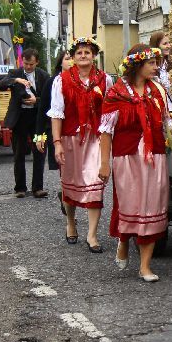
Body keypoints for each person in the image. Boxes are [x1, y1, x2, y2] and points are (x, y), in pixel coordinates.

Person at [99, 44, 172, 282]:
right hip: (127, 157)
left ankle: (145, 266)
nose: (156, 67)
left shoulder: (158, 90)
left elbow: (166, 121)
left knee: (152, 207)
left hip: (155, 157)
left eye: (156, 62)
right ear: (137, 65)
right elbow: (106, 131)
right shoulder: (116, 94)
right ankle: (123, 239)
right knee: (130, 205)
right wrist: (103, 164)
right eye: (151, 63)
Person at [47, 38, 110, 252]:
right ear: (73, 58)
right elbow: (57, 114)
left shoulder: (105, 80)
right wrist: (57, 143)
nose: (83, 56)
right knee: (70, 185)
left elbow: (109, 112)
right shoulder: (61, 80)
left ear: (94, 56)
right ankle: (71, 223)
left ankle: (92, 235)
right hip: (70, 138)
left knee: (95, 185)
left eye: (87, 52)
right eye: (79, 53)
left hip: (95, 139)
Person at [0, 49, 51, 199]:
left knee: (39, 151)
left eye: (31, 64)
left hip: (38, 119)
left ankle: (38, 188)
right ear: (22, 61)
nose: (28, 67)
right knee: (19, 153)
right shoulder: (15, 73)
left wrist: (37, 101)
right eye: (26, 64)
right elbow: (0, 85)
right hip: (20, 118)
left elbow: (50, 99)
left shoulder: (43, 75)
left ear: (37, 63)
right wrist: (16, 80)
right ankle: (20, 188)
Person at [35, 49, 74, 219]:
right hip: (56, 131)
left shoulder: (82, 81)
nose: (71, 61)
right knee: (64, 168)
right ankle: (65, 194)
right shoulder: (52, 82)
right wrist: (39, 137)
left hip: (77, 133)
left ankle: (69, 194)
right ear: (60, 63)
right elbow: (42, 111)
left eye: (73, 58)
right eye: (67, 58)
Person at [149, 31, 172, 112]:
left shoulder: (171, 65)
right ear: (156, 46)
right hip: (158, 110)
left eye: (169, 43)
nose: (169, 46)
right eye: (165, 44)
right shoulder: (150, 68)